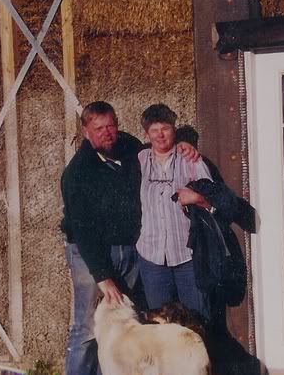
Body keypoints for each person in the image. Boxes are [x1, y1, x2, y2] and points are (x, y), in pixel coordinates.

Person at [60, 101, 198, 375]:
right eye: (98, 128)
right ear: (86, 131)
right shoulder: (78, 173)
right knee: (87, 327)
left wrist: (183, 145)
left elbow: (160, 150)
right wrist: (102, 275)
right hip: (91, 255)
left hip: (131, 251)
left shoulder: (130, 147)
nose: (107, 133)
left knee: (128, 324)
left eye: (111, 126)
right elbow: (83, 230)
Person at [135, 104, 215, 321]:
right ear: (146, 134)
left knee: (197, 321)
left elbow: (215, 201)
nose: (160, 135)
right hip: (151, 258)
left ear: (174, 130)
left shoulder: (191, 161)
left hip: (187, 257)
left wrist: (198, 198)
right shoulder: (139, 160)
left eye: (166, 128)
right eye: (154, 130)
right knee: (161, 326)